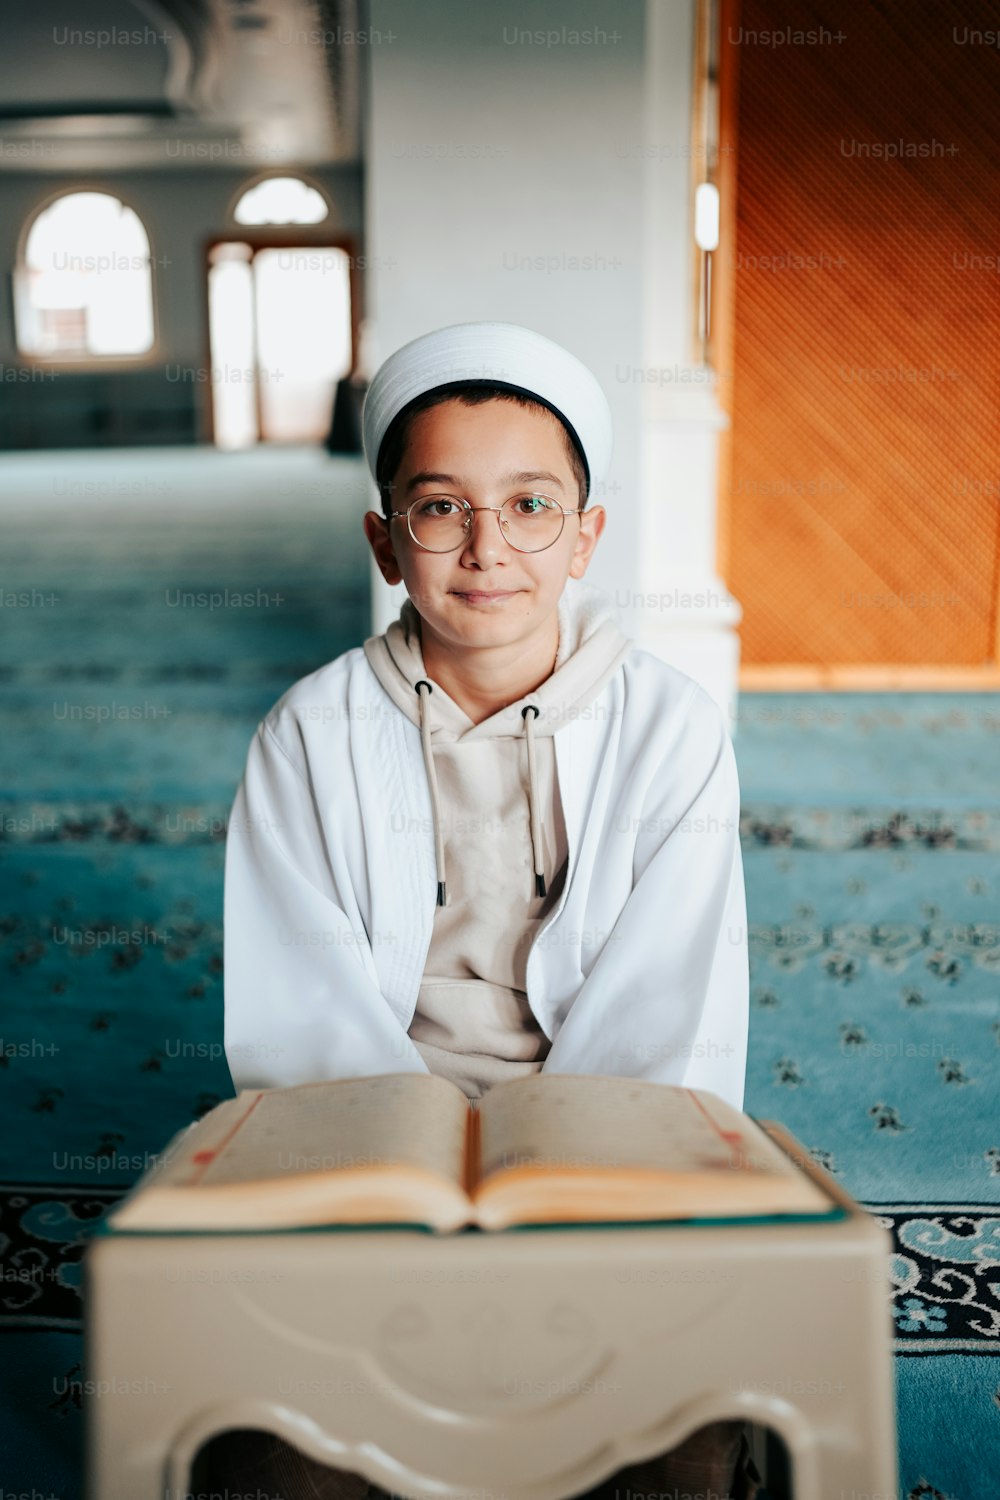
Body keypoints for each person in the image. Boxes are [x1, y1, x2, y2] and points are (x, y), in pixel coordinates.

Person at [208, 322, 760, 1500]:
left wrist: (556, 1188)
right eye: (439, 507)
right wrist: (410, 1188)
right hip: (370, 1124)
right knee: (290, 1434)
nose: (485, 548)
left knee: (668, 1428)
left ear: (585, 537)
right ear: (384, 538)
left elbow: (673, 1001)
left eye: (529, 507)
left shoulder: (668, 731)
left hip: (609, 1125)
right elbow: (300, 1009)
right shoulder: (309, 733)